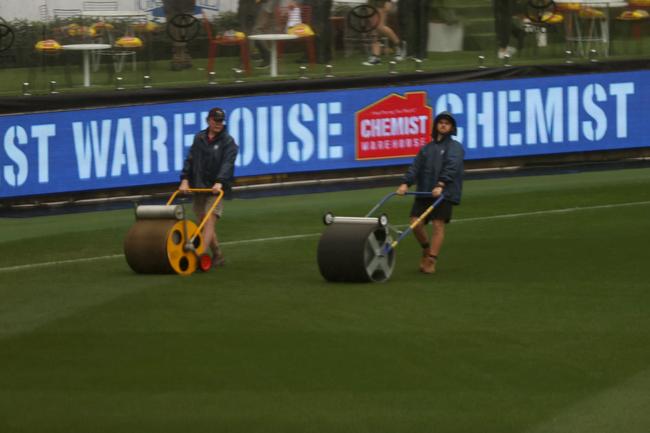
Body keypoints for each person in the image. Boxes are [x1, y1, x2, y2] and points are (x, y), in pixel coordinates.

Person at [396, 112, 464, 274]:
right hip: (425, 191)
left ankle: (431, 259)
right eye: (440, 122)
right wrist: (406, 183)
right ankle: (426, 249)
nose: (443, 125)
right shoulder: (426, 149)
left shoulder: (454, 147)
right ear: (435, 126)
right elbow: (415, 168)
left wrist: (441, 184)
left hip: (443, 193)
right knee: (415, 222)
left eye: (447, 123)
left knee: (438, 225)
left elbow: (452, 167)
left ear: (452, 128)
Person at [179, 107, 238, 268]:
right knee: (202, 222)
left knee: (209, 220)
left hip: (216, 188)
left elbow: (228, 163)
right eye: (216, 120)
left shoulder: (228, 142)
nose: (219, 124)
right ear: (208, 120)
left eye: (221, 121)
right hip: (200, 186)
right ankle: (218, 254)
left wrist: (220, 181)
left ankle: (200, 255)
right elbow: (190, 160)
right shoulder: (199, 138)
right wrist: (184, 179)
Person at [362, 0, 405, 66]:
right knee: (374, 29)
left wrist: (388, 2)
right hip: (371, 2)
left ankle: (399, 44)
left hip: (382, 2)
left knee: (380, 26)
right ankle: (376, 57)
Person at [162, 0, 196, 71]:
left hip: (178, 9)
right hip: (181, 8)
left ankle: (179, 59)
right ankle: (184, 58)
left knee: (177, 34)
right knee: (180, 34)